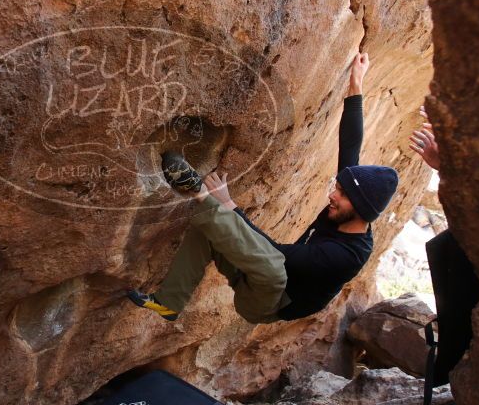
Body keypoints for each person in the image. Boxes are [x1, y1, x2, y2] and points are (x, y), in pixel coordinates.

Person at [127, 53, 399, 323]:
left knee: (272, 266)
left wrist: (230, 206)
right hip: (254, 272)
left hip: (270, 302)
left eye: (341, 194)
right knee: (212, 227)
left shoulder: (345, 257)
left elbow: (279, 255)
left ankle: (196, 190)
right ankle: (169, 302)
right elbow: (350, 146)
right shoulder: (352, 206)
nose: (332, 195)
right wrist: (356, 84)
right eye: (337, 188)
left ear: (361, 209)